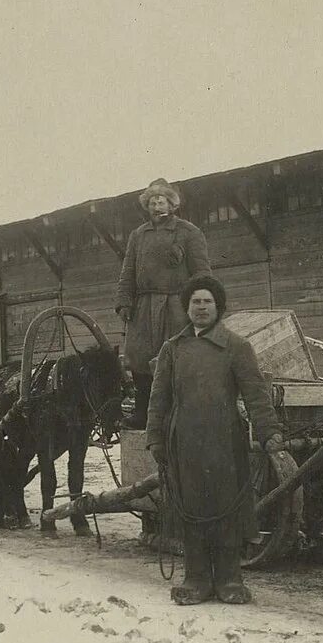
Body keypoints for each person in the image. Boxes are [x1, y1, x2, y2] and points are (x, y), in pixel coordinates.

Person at [147, 274, 285, 606]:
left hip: (226, 442)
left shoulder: (237, 347)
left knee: (226, 508)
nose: (202, 307)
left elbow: (256, 395)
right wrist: (154, 438)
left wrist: (269, 433)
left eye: (208, 301)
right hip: (184, 443)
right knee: (191, 508)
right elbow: (158, 398)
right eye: (196, 301)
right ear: (187, 307)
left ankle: (229, 580)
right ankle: (195, 579)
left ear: (218, 307)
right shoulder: (172, 349)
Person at [117, 178, 211, 430]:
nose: (157, 206)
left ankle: (183, 414)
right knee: (139, 359)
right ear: (147, 206)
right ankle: (143, 414)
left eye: (162, 201)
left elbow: (202, 274)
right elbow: (127, 272)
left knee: (178, 358)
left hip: (177, 306)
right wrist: (124, 300)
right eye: (152, 202)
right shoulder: (138, 235)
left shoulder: (189, 232)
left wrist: (201, 306)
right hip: (144, 307)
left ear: (172, 204)